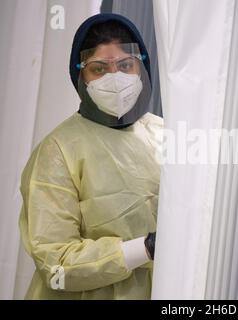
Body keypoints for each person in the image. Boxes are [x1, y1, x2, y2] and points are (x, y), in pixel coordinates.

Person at [18, 13, 162, 299]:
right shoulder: (58, 150)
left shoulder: (166, 136)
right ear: (80, 75)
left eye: (125, 65)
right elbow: (56, 262)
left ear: (141, 67)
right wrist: (144, 248)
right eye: (99, 69)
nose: (115, 78)